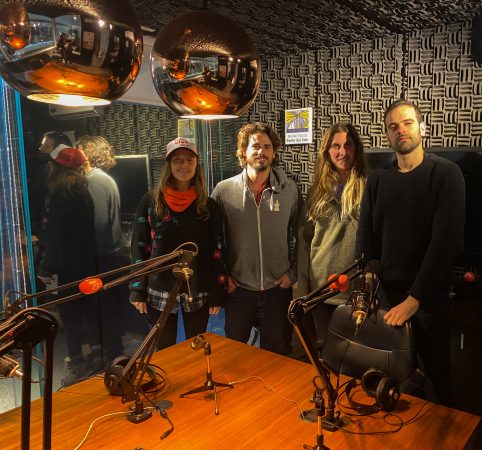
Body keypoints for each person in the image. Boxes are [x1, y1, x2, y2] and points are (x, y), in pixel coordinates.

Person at [356, 99, 465, 407]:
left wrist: (414, 299)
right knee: (388, 383)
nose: (400, 130)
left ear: (422, 128)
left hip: (428, 300)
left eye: (407, 123)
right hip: (386, 299)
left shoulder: (446, 174)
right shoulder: (377, 178)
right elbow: (365, 237)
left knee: (437, 383)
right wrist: (367, 288)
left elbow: (446, 244)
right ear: (387, 136)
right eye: (393, 126)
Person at [211, 123, 301, 355]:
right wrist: (223, 275)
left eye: (267, 146)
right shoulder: (223, 190)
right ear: (244, 151)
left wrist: (294, 273)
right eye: (256, 146)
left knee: (278, 354)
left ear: (274, 152)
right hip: (238, 290)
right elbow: (212, 239)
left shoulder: (289, 190)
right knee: (236, 356)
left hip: (277, 290)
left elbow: (301, 234)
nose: (262, 151)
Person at [129, 137, 226, 350]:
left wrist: (217, 292)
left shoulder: (208, 206)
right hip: (159, 288)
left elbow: (217, 251)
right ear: (169, 165)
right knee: (163, 350)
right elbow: (140, 247)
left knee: (196, 347)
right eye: (178, 160)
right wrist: (137, 289)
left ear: (196, 164)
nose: (184, 165)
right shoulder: (150, 202)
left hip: (198, 287)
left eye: (189, 160)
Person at [297, 123, 367, 346]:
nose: (342, 152)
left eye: (348, 145)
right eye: (336, 146)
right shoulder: (316, 191)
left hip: (355, 288)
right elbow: (304, 241)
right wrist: (303, 286)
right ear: (327, 151)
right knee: (327, 352)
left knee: (356, 353)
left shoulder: (369, 187)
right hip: (321, 289)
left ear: (356, 149)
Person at [36, 146, 97, 386]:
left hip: (69, 267)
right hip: (87, 263)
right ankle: (93, 358)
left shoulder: (61, 194)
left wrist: (46, 267)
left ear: (58, 167)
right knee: (87, 313)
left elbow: (56, 236)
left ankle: (76, 364)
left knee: (70, 316)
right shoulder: (82, 190)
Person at [76, 135, 124, 367]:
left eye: (78, 151)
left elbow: (99, 223)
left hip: (100, 258)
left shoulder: (94, 181)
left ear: (88, 154)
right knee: (107, 309)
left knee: (103, 310)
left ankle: (111, 356)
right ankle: (112, 353)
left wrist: (88, 256)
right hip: (108, 255)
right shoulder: (104, 179)